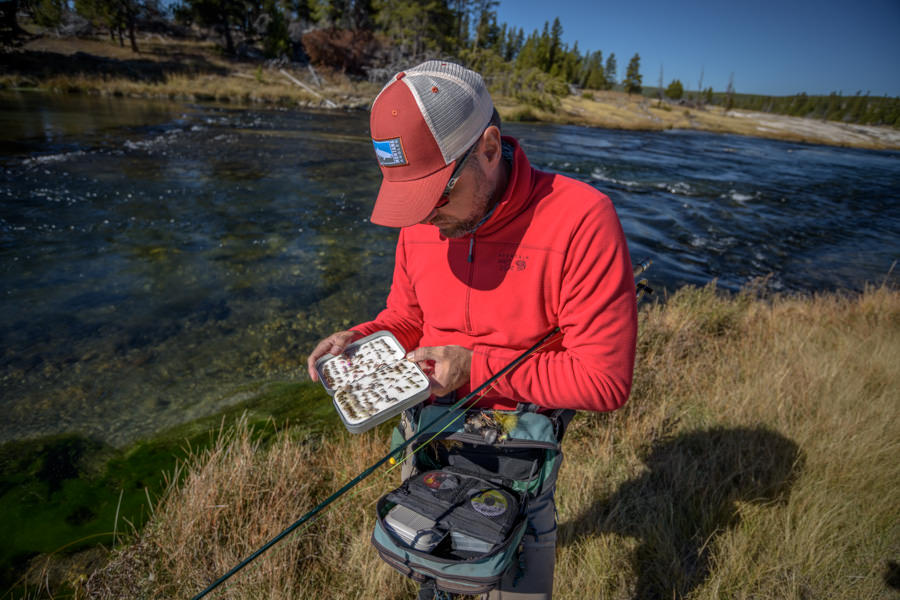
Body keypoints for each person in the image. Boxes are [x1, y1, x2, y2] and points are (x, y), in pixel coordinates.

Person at [307, 61, 637, 600]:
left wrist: (474, 368)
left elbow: (603, 380)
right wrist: (361, 337)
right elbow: (406, 318)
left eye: (437, 194)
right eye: (412, 198)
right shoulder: (423, 221)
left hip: (518, 456)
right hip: (428, 439)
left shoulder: (582, 219)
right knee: (435, 578)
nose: (425, 216)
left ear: (488, 146)